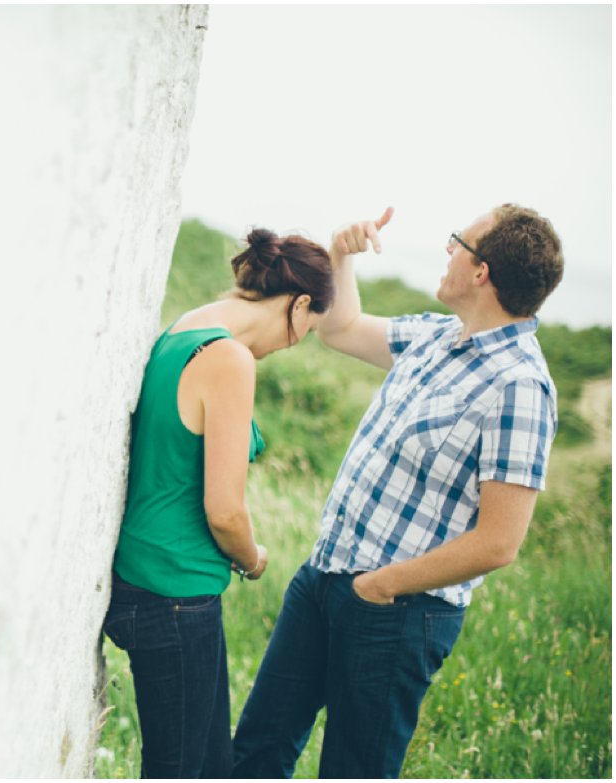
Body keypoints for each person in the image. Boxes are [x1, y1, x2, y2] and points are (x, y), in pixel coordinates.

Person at [231, 204, 563, 778]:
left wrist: (381, 586)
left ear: (481, 271)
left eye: (458, 241)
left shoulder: (520, 387)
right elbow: (340, 328)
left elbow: (499, 542)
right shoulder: (437, 336)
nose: (447, 250)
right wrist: (341, 256)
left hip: (396, 611)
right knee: (255, 752)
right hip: (323, 578)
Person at [103, 228, 335, 778]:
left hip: (146, 583)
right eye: (310, 327)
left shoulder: (189, 325)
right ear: (299, 304)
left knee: (205, 763)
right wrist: (253, 558)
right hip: (175, 595)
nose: (298, 341)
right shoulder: (230, 359)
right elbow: (225, 511)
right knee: (182, 769)